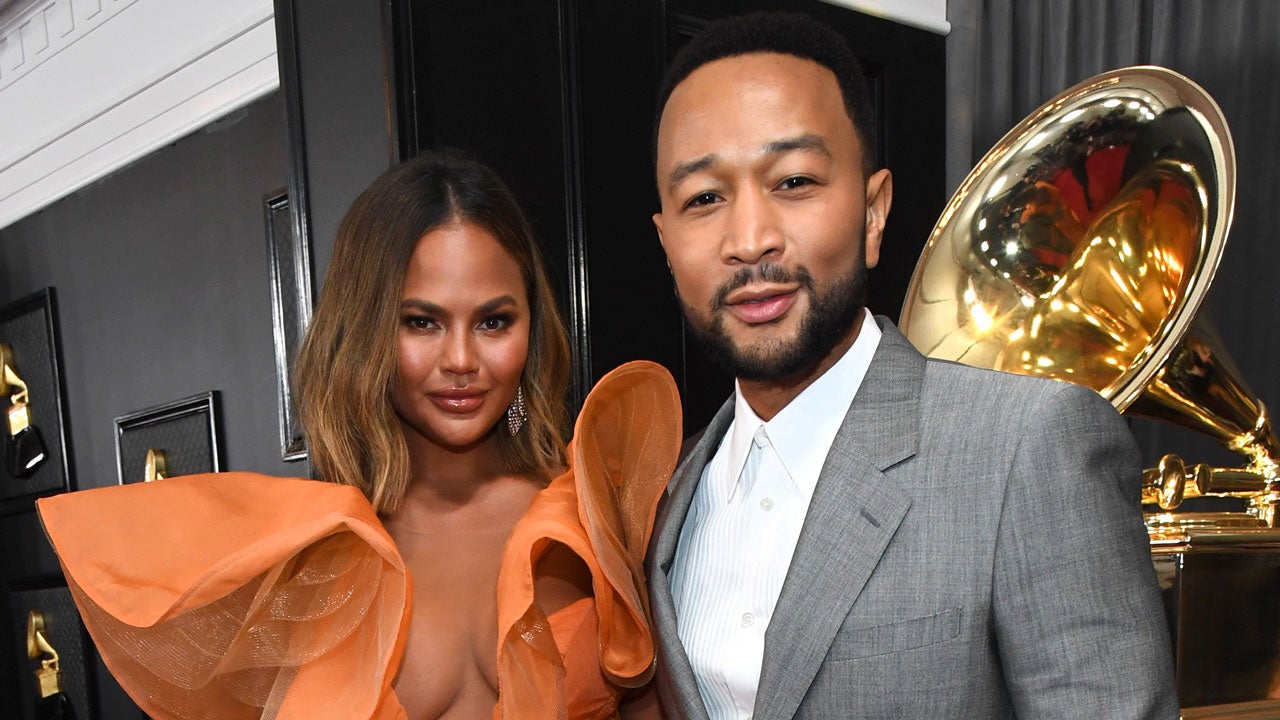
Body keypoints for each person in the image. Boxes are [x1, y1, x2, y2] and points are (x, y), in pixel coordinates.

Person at [644, 12, 1177, 720]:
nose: (749, 240)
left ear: (872, 213)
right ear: (666, 240)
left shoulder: (1028, 446)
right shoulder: (664, 498)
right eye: (704, 198)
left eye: (794, 181)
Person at [37, 150, 679, 719]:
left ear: (531, 330)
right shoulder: (301, 556)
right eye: (422, 322)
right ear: (367, 329)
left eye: (493, 321)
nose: (461, 359)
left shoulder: (592, 519)